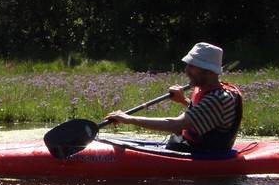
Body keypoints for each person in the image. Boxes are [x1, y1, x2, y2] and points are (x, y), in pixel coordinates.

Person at [104, 42, 243, 154]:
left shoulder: (218, 98)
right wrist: (183, 101)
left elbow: (175, 124)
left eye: (192, 67)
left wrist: (129, 119)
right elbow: (205, 116)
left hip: (204, 154)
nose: (186, 71)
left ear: (208, 71)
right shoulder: (206, 90)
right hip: (190, 147)